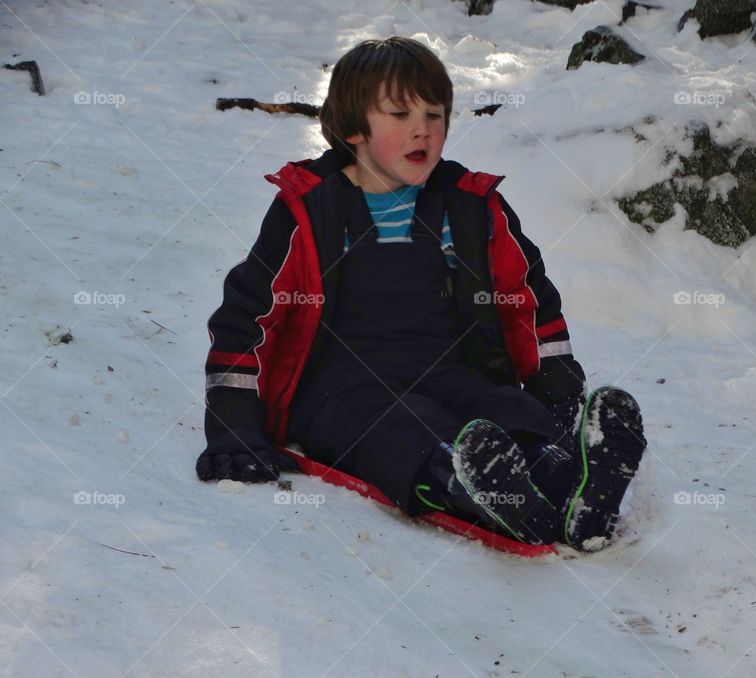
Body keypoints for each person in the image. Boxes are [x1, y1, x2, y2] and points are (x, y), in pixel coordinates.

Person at [195, 37, 647, 551]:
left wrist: (557, 393)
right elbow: (249, 318)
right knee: (397, 428)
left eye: (436, 115)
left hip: (447, 370)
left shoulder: (469, 206)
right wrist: (235, 427)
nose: (423, 129)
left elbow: (526, 300)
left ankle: (574, 486)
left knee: (499, 409)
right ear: (352, 129)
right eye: (400, 113)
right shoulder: (310, 210)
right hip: (341, 385)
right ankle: (466, 484)